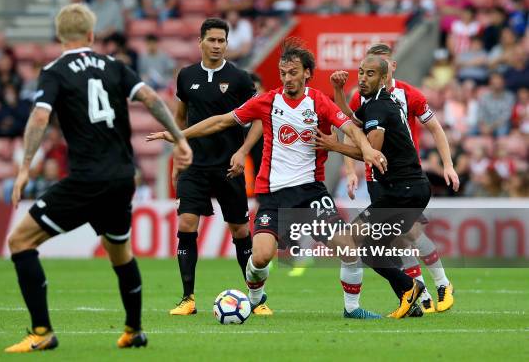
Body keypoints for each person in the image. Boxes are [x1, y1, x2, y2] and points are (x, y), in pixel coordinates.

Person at [149, 39, 424, 319]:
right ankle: (256, 299)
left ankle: (352, 309)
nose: (287, 79)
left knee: (348, 247)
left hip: (311, 193)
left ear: (307, 72)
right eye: (283, 73)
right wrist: (179, 133)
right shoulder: (267, 101)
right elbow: (221, 120)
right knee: (260, 257)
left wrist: (366, 150)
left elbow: (349, 128)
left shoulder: (319, 101)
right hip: (274, 194)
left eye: (293, 73)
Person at [4, 3, 192, 353]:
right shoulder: (114, 66)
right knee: (119, 251)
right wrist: (180, 139)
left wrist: (25, 167)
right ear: (91, 35)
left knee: (20, 242)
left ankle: (42, 331)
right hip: (123, 177)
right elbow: (150, 98)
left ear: (60, 37)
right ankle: (134, 330)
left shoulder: (55, 71)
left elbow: (39, 119)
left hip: (87, 179)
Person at [340, 44, 457, 313]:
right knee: (394, 238)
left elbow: (436, 129)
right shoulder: (363, 96)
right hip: (376, 176)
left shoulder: (408, 94)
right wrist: (349, 172)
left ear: (391, 67)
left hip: (405, 176)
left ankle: (441, 283)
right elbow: (350, 130)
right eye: (366, 68)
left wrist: (447, 165)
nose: (368, 75)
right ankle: (420, 293)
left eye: (379, 66)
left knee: (408, 233)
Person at [165, 18, 267, 316]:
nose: (217, 45)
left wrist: (243, 152)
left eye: (222, 40)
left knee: (239, 230)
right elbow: (180, 119)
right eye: (212, 40)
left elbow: (260, 117)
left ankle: (257, 299)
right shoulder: (186, 76)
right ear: (201, 42)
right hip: (194, 165)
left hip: (229, 166)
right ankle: (188, 298)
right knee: (186, 224)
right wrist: (176, 155)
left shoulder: (240, 78)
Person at [319, 55, 431, 318]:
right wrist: (338, 90)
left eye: (370, 74)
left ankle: (411, 288)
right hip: (405, 189)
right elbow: (351, 121)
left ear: (383, 78)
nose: (362, 78)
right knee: (374, 246)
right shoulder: (375, 103)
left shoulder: (380, 107)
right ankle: (411, 298)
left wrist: (334, 146)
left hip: (404, 190)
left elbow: (373, 154)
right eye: (360, 72)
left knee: (362, 244)